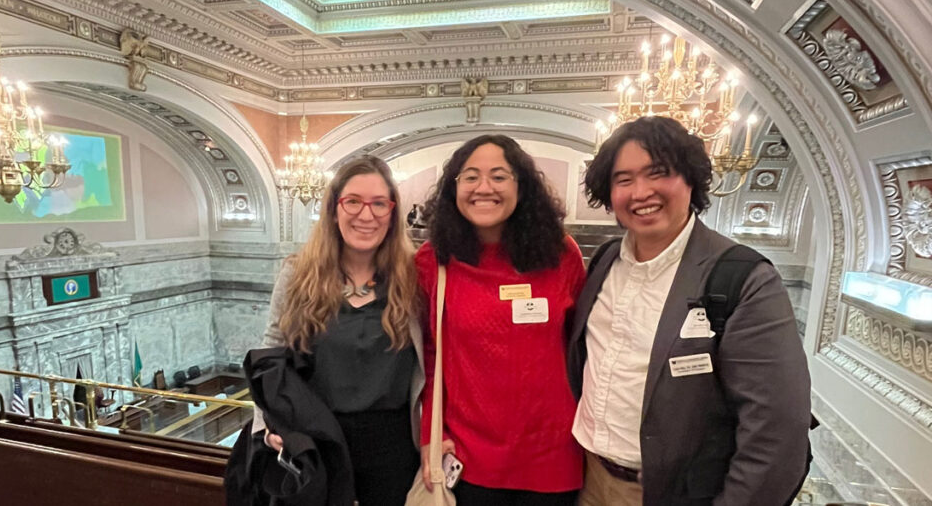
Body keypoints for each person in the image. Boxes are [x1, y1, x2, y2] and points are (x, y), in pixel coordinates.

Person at [568, 116, 811, 506]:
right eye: (623, 179)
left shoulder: (744, 279)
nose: (640, 192)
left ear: (690, 179)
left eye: (658, 173)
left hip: (676, 492)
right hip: (589, 479)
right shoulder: (605, 261)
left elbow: (776, 431)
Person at [416, 134, 586, 506]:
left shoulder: (562, 255)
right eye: (470, 176)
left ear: (520, 186)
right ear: (454, 187)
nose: (484, 188)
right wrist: (432, 430)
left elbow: (582, 347)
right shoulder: (434, 260)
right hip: (467, 456)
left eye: (499, 176)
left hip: (553, 456)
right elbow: (428, 356)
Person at [257, 155, 422, 506]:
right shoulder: (297, 275)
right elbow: (271, 355)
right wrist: (267, 426)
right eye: (353, 202)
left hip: (394, 444)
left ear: (393, 213)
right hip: (318, 437)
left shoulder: (415, 278)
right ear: (334, 209)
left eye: (379, 203)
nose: (367, 215)